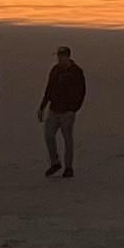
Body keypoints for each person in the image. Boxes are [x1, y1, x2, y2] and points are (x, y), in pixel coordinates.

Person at [39, 45, 87, 178]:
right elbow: (49, 89)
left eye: (62, 56)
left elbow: (81, 92)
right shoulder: (55, 70)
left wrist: (73, 109)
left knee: (67, 139)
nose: (59, 58)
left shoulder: (76, 72)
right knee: (48, 135)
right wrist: (43, 106)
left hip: (67, 111)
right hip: (54, 109)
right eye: (58, 56)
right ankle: (55, 162)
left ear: (68, 56)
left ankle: (69, 167)